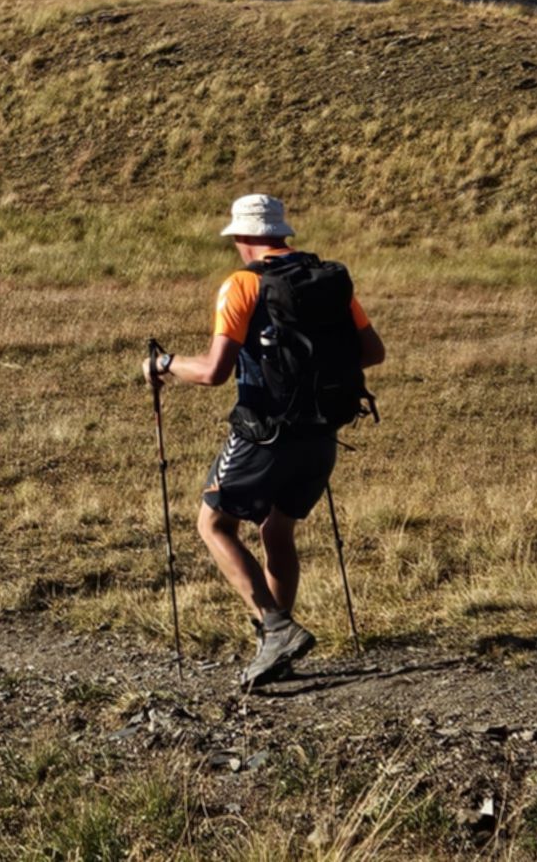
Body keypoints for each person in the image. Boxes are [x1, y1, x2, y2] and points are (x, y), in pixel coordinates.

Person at [143, 193, 385, 688]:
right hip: (323, 432)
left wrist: (163, 365)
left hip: (265, 433)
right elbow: (372, 351)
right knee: (277, 531)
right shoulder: (330, 280)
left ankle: (275, 629)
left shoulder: (243, 285)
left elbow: (214, 372)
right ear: (281, 232)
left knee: (213, 524)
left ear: (243, 238)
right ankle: (277, 645)